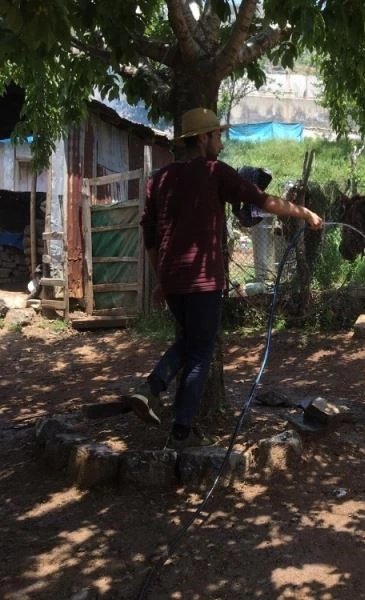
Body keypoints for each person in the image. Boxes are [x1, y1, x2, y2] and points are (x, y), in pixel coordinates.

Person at [124, 107, 323, 449]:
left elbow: (150, 235)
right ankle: (166, 408)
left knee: (191, 342)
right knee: (201, 350)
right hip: (202, 279)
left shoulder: (158, 180)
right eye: (217, 135)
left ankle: (162, 404)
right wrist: (304, 213)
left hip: (172, 279)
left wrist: (160, 279)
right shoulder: (214, 172)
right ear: (202, 139)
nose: (221, 141)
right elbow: (263, 201)